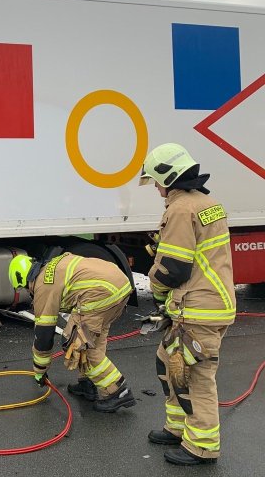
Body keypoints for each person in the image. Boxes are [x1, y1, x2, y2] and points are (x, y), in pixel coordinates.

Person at [139, 143, 235, 466]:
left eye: (156, 180)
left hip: (200, 308)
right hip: (204, 303)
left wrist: (154, 284)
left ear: (169, 175)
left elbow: (173, 268)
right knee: (167, 360)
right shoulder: (207, 203)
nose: (155, 187)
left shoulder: (181, 209)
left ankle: (202, 445)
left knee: (196, 375)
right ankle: (178, 427)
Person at [8, 251, 135, 412]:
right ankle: (87, 383)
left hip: (101, 292)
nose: (28, 292)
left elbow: (43, 335)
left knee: (77, 345)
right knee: (92, 340)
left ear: (23, 279)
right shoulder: (52, 266)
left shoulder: (42, 285)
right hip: (119, 285)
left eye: (23, 288)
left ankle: (118, 391)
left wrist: (40, 370)